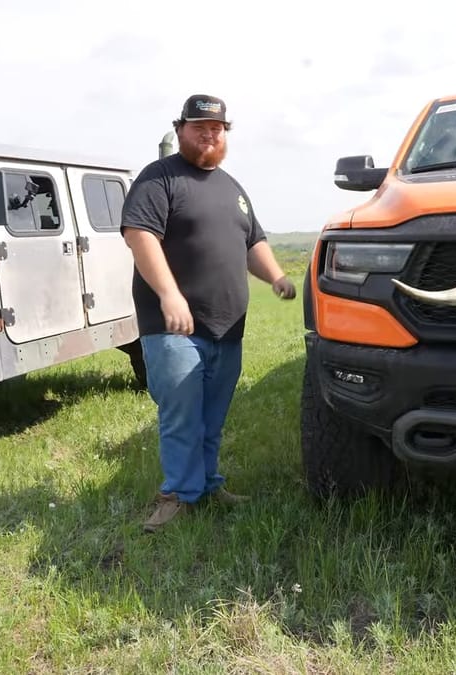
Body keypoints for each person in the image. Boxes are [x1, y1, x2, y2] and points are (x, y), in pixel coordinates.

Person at [120, 94, 297, 533]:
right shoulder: (158, 179)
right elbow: (140, 235)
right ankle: (178, 495)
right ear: (180, 129)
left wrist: (276, 276)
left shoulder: (232, 188)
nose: (209, 135)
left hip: (227, 329)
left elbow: (253, 242)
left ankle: (206, 484)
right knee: (181, 415)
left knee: (212, 417)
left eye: (217, 128)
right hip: (174, 327)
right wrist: (169, 294)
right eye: (199, 127)